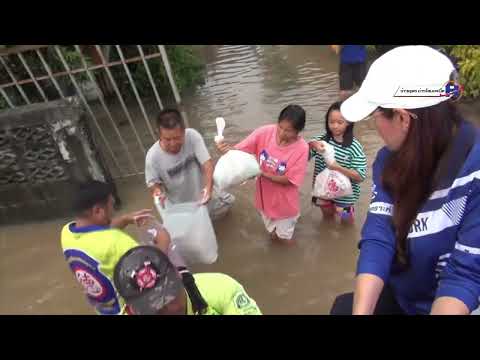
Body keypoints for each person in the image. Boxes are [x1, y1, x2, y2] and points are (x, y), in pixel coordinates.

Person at [329, 45, 480, 315]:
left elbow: (464, 277)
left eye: (375, 114)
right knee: (344, 308)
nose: (373, 124)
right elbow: (379, 236)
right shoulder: (389, 161)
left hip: (458, 304)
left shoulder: (474, 174)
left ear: (402, 118)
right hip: (407, 295)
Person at [60, 180, 170, 315]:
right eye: (112, 206)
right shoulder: (117, 242)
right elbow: (151, 273)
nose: (113, 212)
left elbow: (97, 236)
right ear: (98, 211)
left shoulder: (67, 233)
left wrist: (124, 220)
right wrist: (163, 241)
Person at [216, 105, 309, 244]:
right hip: (264, 199)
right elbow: (240, 151)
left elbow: (290, 180)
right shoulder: (265, 132)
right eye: (280, 127)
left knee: (285, 240)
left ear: (298, 131)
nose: (282, 133)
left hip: (285, 205)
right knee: (272, 233)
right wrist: (227, 149)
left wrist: (262, 173)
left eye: (288, 131)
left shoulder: (302, 148)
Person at [114, 245, 262, 315]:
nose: (170, 311)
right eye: (155, 310)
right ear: (131, 310)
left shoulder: (221, 288)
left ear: (179, 277)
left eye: (171, 297)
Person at [145, 108, 235, 220]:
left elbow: (207, 164)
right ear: (159, 135)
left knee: (229, 203)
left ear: (183, 131)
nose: (172, 143)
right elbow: (153, 184)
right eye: (167, 139)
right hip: (181, 206)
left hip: (203, 192)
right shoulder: (152, 157)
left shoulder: (192, 136)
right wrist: (158, 192)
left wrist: (208, 187)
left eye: (177, 138)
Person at [308, 101, 367, 223]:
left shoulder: (354, 147)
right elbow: (303, 155)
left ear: (349, 123)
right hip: (323, 192)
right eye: (331, 122)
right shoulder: (321, 141)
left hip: (345, 196)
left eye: (340, 122)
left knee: (346, 224)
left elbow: (360, 176)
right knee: (327, 219)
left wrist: (337, 167)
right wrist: (312, 144)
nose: (335, 126)